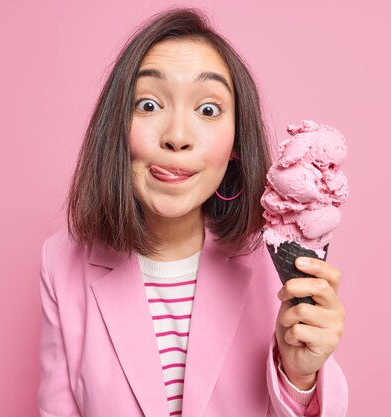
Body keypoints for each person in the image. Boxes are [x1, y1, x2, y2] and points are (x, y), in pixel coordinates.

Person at [38, 7, 348, 417]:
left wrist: (299, 378)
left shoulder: (274, 264)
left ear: (236, 142)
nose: (178, 137)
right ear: (116, 127)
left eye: (208, 110)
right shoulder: (61, 262)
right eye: (148, 105)